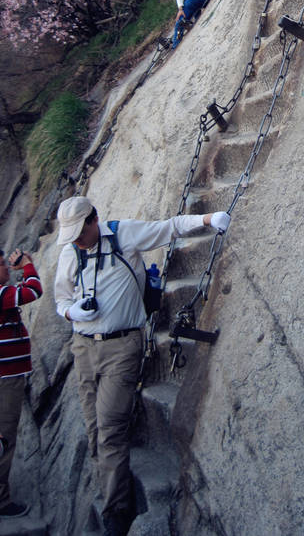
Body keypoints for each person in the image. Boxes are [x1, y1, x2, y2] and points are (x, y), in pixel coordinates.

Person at [53, 196, 231, 536]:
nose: (77, 239)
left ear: (94, 220)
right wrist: (71, 312)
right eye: (71, 234)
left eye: (80, 231)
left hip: (122, 346)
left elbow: (169, 229)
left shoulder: (123, 235)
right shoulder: (69, 254)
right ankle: (112, 487)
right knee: (93, 429)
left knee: (109, 430)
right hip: (83, 347)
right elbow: (61, 297)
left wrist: (208, 219)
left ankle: (115, 514)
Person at [0, 248, 43, 520]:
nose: (6, 267)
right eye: (2, 264)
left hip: (7, 376)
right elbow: (33, 290)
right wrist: (27, 265)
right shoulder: (2, 294)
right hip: (6, 379)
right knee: (5, 438)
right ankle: (2, 501)